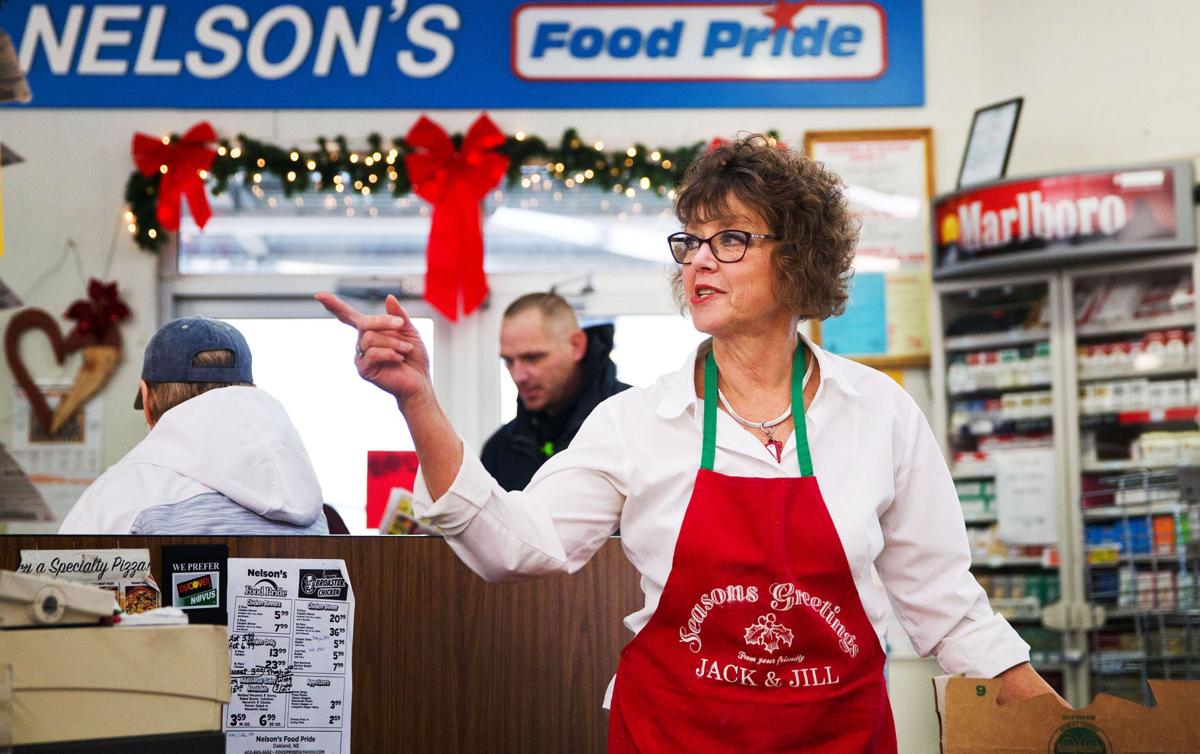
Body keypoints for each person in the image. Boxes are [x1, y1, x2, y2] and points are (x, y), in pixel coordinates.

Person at [317, 134, 1058, 752]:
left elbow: (946, 607)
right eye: (691, 241)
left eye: (730, 239)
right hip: (674, 737)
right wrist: (419, 400)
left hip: (839, 738)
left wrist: (1060, 725)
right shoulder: (636, 423)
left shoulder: (880, 413)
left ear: (798, 257)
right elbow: (516, 547)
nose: (698, 260)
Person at [59, 317, 329, 535]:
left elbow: (58, 593)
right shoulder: (309, 505)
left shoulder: (120, 495)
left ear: (146, 398)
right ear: (251, 393)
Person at [483, 292, 630, 491]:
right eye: (509, 361)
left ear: (576, 346)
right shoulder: (500, 448)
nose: (518, 376)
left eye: (533, 357)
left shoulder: (633, 422)